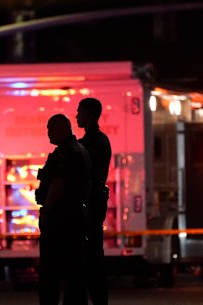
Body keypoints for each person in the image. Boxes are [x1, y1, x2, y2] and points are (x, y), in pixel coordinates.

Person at [36, 114, 92, 305]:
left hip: (60, 220)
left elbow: (58, 183)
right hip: (76, 218)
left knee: (51, 273)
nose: (48, 134)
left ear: (62, 128)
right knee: (75, 272)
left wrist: (47, 211)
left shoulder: (64, 153)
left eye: (50, 129)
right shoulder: (81, 150)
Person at [76, 97, 112, 305]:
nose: (77, 116)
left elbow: (85, 174)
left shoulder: (90, 143)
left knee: (89, 259)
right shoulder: (100, 140)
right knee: (93, 257)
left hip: (90, 205)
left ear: (89, 115)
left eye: (80, 112)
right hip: (95, 204)